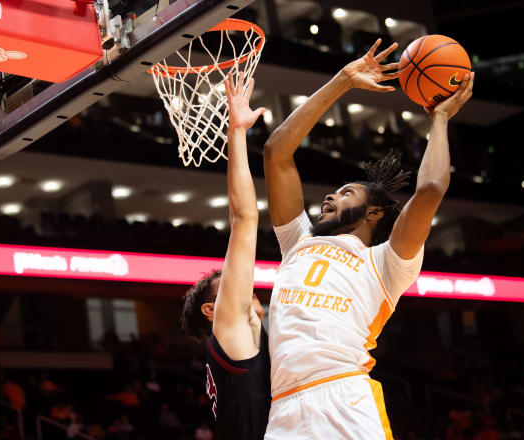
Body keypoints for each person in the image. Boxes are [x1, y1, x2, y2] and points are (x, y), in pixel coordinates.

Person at [262, 39, 474, 439]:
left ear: (374, 213)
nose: (329, 196)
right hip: (284, 407)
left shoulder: (386, 265)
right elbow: (276, 152)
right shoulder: (298, 241)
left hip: (344, 398)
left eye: (346, 193)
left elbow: (429, 189)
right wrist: (343, 80)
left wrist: (440, 119)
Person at [180, 72, 271, 440]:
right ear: (211, 310)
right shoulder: (230, 330)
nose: (248, 287)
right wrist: (236, 132)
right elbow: (244, 218)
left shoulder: (242, 344)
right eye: (235, 287)